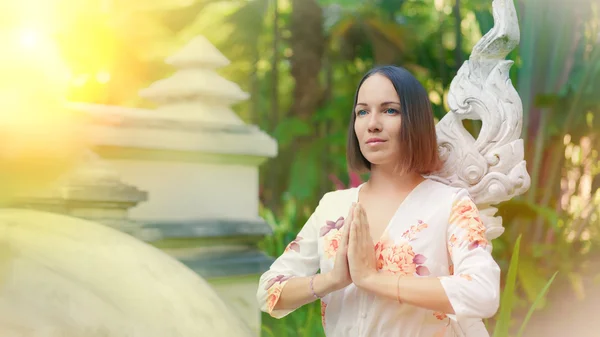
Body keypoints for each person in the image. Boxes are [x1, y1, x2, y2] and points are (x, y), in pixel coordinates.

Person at [256, 65, 500, 337]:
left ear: (415, 120)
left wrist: (373, 279)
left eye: (389, 110)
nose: (372, 123)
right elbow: (268, 292)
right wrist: (332, 280)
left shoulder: (449, 204)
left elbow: (483, 292)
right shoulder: (333, 207)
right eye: (362, 112)